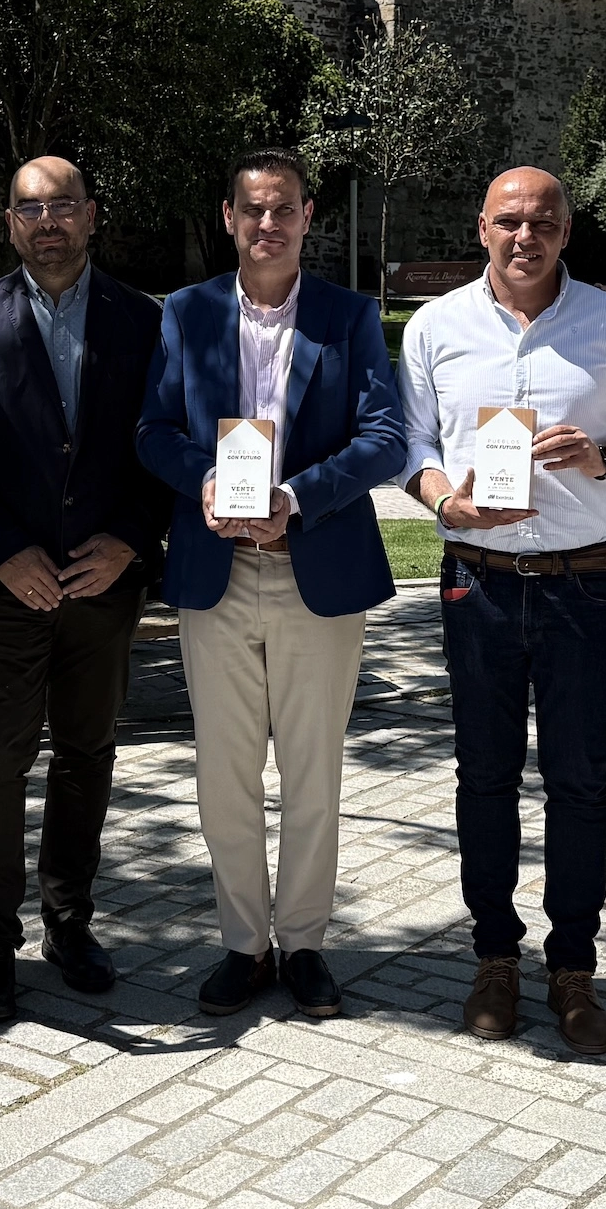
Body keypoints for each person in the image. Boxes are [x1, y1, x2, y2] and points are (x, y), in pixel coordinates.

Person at [398, 167, 606, 1057]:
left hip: (583, 582)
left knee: (581, 781)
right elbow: (414, 445)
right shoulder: (437, 326)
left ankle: (574, 967)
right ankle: (494, 959)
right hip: (476, 579)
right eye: (509, 221)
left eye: (542, 222)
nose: (525, 236)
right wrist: (447, 503)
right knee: (484, 779)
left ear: (566, 228)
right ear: (482, 228)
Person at [138, 148, 405, 1022]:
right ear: (228, 217)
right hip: (216, 572)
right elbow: (152, 431)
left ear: (307, 214)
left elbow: (384, 440)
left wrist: (297, 496)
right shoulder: (185, 313)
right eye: (252, 209)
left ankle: (306, 942)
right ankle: (243, 943)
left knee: (313, 771)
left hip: (310, 570)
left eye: (283, 208)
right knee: (224, 774)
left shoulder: (349, 315)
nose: (267, 224)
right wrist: (202, 480)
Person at [0, 158, 168, 1024]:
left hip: (104, 585)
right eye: (29, 208)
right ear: (10, 224)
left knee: (86, 755)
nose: (47, 222)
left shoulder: (143, 321)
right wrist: (2, 552)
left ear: (91, 216)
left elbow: (165, 442)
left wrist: (131, 540)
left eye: (62, 205)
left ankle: (70, 921)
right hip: (7, 588)